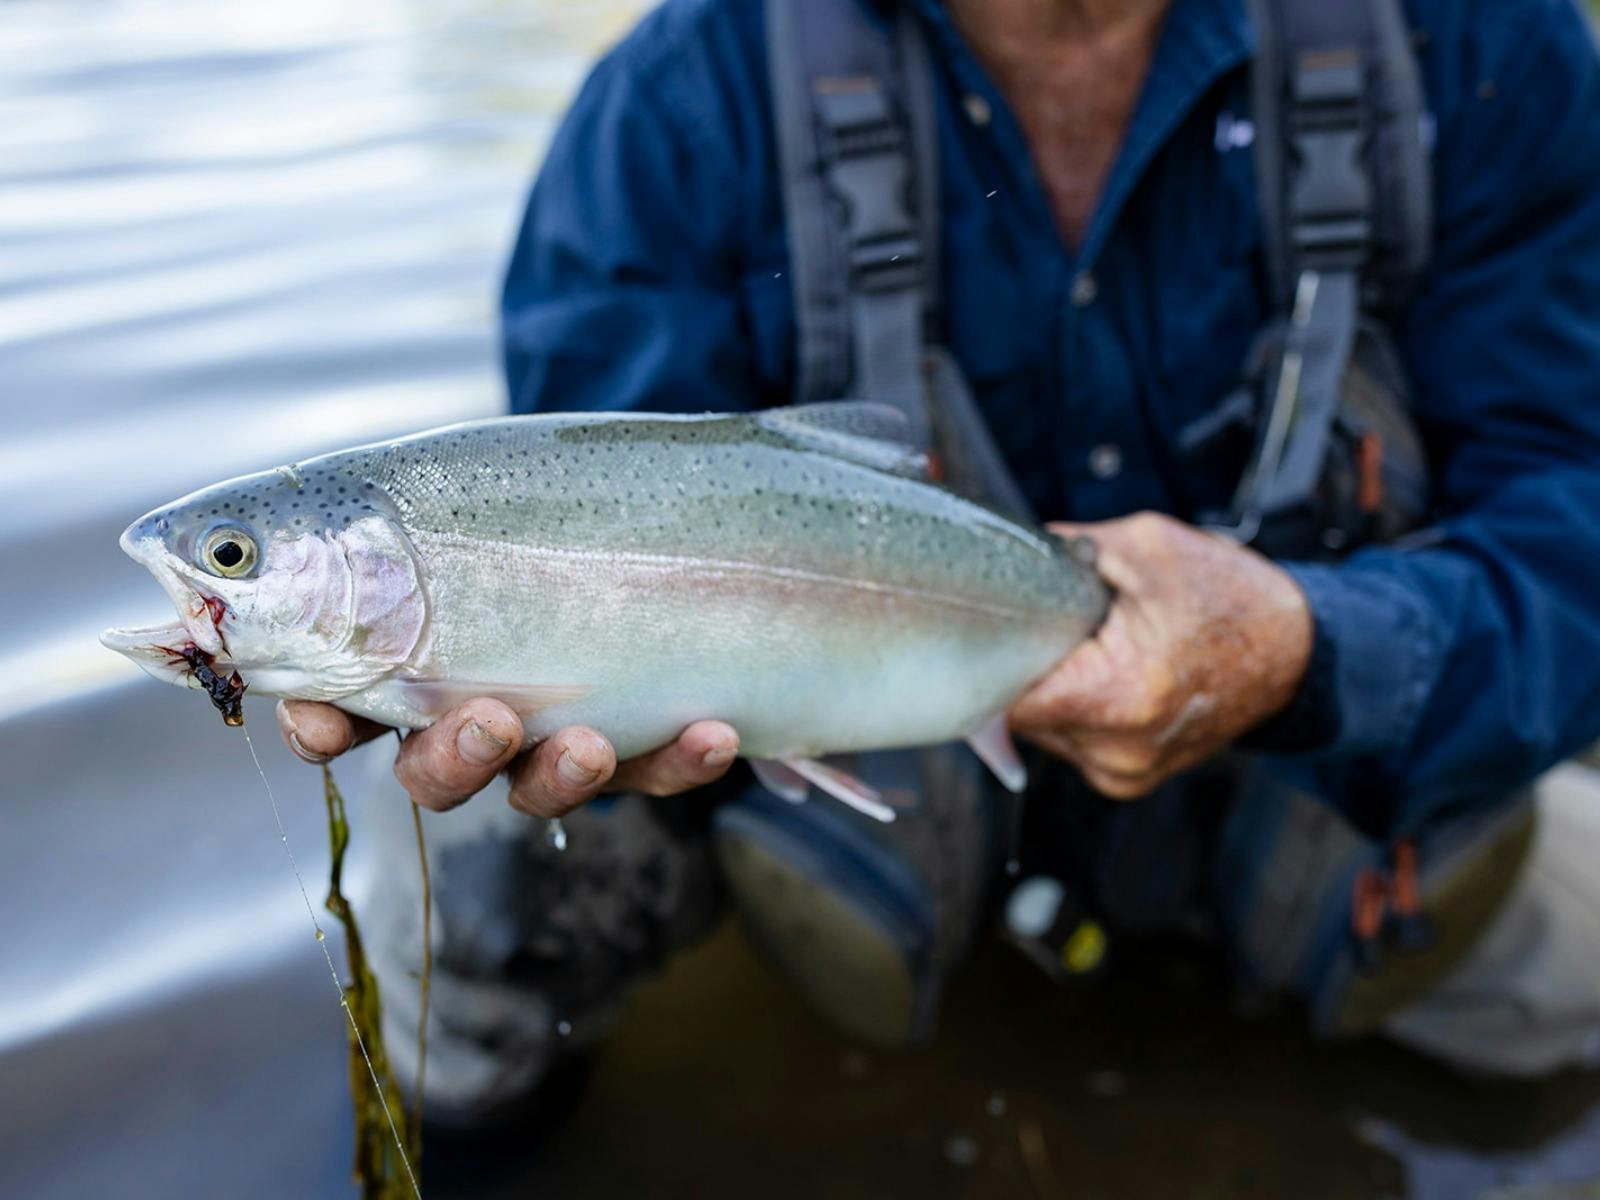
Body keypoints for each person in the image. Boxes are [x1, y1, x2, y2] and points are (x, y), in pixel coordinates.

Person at [277, 0, 1600, 1128]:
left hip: (1329, 741)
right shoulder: (681, 103)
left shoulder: (1478, 44)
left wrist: (1313, 654)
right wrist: (581, 696)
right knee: (457, 900)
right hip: (826, 783)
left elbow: (1576, 522)